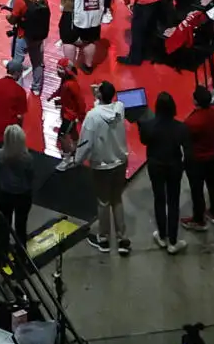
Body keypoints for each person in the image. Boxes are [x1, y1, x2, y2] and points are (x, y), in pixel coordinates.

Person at [58, 79, 131, 255]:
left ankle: (104, 239)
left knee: (103, 202)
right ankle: (122, 239)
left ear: (99, 95)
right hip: (120, 162)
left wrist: (76, 160)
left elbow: (85, 143)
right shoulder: (119, 108)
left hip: (102, 166)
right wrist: (99, 95)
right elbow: (106, 106)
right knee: (117, 200)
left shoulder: (93, 116)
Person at [136, 91, 189, 254]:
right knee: (173, 202)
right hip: (174, 166)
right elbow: (188, 150)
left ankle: (162, 235)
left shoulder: (148, 125)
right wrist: (183, 166)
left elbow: (144, 141)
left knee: (159, 199)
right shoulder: (181, 128)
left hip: (155, 166)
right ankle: (173, 241)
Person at [0, 125, 39, 265]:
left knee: (4, 223)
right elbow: (31, 176)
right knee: (21, 226)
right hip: (23, 195)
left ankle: (2, 254)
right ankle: (21, 255)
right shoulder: (27, 158)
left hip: (4, 193)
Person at [181, 86, 214, 230]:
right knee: (213, 183)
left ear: (196, 101)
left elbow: (184, 139)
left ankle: (199, 219)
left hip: (197, 160)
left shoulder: (192, 122)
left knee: (197, 189)